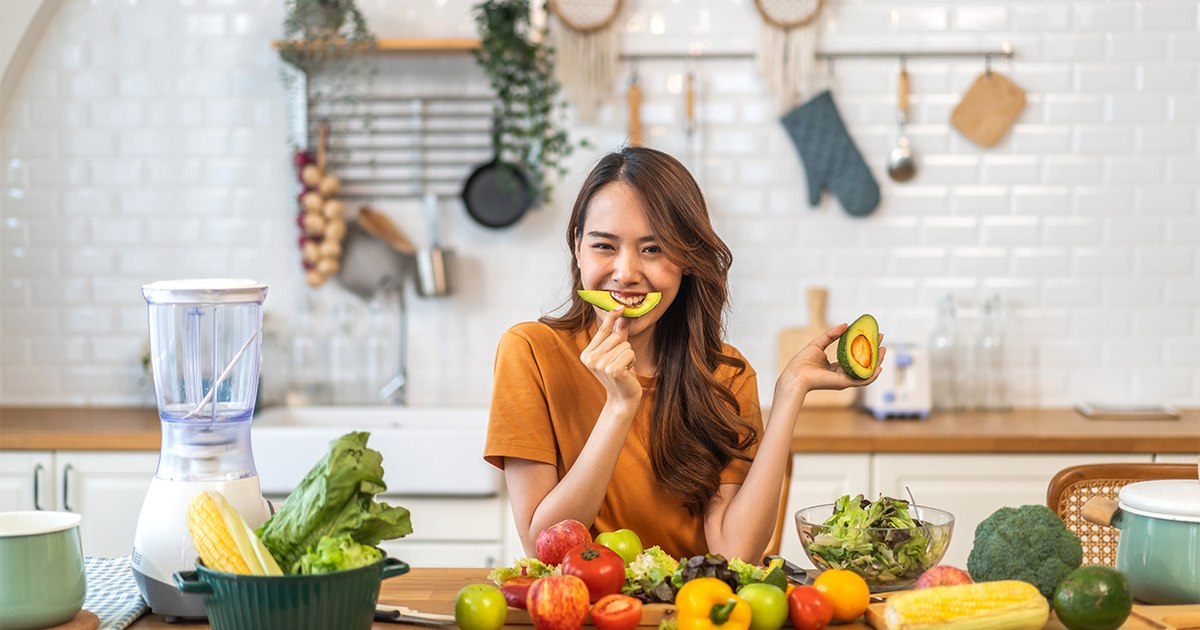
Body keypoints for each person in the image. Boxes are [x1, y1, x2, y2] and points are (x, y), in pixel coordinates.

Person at [484, 146, 883, 562]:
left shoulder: (726, 374)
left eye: (653, 249)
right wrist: (619, 406)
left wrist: (791, 390)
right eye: (604, 246)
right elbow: (543, 546)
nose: (626, 272)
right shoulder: (530, 351)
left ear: (687, 260)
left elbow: (736, 552)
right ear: (578, 247)